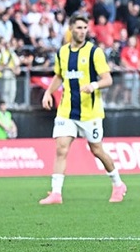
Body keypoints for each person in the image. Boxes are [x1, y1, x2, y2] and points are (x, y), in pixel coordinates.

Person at [39, 12, 127, 205]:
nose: (82, 31)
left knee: (97, 150)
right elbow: (59, 76)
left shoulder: (94, 52)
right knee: (61, 149)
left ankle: (118, 184)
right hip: (67, 110)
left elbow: (108, 79)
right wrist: (48, 93)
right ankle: (56, 193)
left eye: (85, 28)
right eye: (79, 27)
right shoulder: (62, 52)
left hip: (90, 112)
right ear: (71, 29)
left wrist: (93, 85)